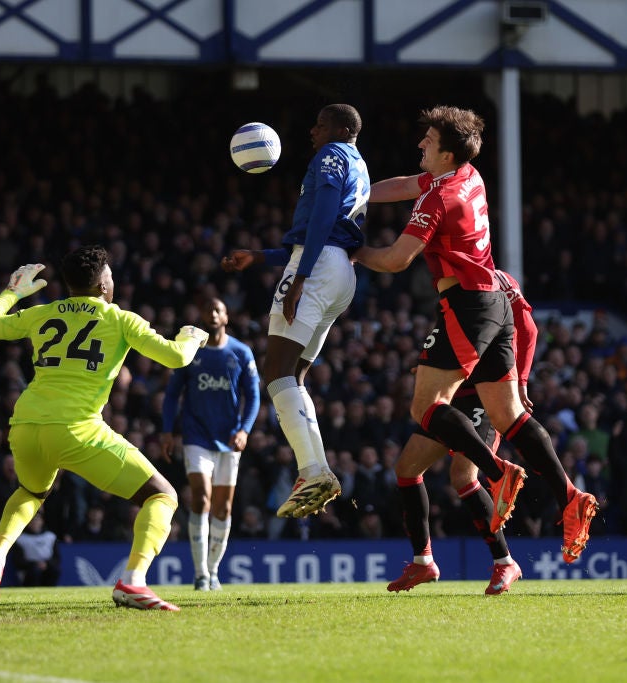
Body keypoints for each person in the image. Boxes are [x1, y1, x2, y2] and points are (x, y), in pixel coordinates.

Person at [354, 105, 597, 565]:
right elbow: (406, 184)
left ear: (446, 153)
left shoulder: (438, 199)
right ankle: (570, 495)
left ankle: (498, 473)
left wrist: (353, 250)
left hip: (465, 306)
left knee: (425, 408)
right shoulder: (468, 175)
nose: (420, 144)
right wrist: (354, 194)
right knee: (508, 416)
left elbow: (395, 260)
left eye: (427, 139)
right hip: (493, 303)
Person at [0, 246, 209, 612]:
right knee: (162, 495)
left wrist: (13, 292)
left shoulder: (43, 313)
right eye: (111, 276)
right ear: (102, 285)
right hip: (75, 429)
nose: (113, 281)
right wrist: (192, 335)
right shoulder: (119, 319)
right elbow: (175, 357)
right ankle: (133, 582)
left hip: (25, 425)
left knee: (32, 492)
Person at [221, 103, 370, 519]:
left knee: (276, 373)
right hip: (342, 273)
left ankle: (313, 470)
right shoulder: (359, 165)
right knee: (296, 375)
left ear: (340, 128)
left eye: (320, 124)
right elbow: (332, 227)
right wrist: (261, 255)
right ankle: (316, 470)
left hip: (317, 267)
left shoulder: (330, 156)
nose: (312, 131)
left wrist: (300, 276)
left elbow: (322, 218)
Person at [387, 270, 535, 595]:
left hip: (485, 394)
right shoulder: (448, 277)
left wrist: (519, 381)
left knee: (463, 476)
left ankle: (505, 562)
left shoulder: (499, 281)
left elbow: (528, 327)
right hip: (451, 396)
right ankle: (423, 562)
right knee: (407, 469)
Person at [159, 298, 260, 591]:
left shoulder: (241, 352)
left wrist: (245, 430)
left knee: (223, 509)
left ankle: (213, 572)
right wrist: (167, 431)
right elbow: (171, 395)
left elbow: (253, 396)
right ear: (202, 316)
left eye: (218, 310)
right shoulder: (192, 351)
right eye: (208, 311)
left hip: (229, 438)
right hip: (196, 436)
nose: (213, 315)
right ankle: (201, 573)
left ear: (226, 316)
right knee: (200, 498)